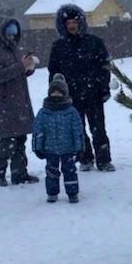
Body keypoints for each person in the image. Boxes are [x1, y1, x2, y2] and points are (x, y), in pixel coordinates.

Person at [47, 5, 114, 172]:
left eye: (75, 22)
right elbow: (54, 73)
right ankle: (85, 158)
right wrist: (56, 94)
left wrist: (104, 88)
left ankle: (104, 160)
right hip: (70, 96)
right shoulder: (58, 47)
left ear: (81, 22)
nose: (72, 25)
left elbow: (104, 67)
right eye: (68, 22)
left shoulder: (94, 42)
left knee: (98, 128)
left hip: (94, 93)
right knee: (77, 130)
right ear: (63, 25)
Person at [0, 16, 40, 186]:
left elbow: (17, 72)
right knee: (8, 141)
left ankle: (19, 174)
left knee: (21, 139)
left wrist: (28, 68)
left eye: (15, 32)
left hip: (20, 101)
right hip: (4, 104)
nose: (12, 35)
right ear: (1, 31)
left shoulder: (14, 49)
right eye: (9, 32)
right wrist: (21, 66)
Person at [31, 75, 84, 203]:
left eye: (59, 92)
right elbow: (38, 131)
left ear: (64, 94)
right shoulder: (44, 112)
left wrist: (80, 147)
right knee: (51, 172)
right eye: (54, 92)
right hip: (50, 149)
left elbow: (77, 131)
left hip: (68, 148)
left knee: (70, 171)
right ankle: (52, 192)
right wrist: (37, 147)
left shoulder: (71, 111)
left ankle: (72, 192)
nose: (56, 95)